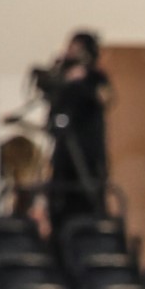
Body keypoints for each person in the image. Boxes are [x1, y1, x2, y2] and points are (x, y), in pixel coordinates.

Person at [46, 29, 113, 220]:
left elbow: (105, 98)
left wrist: (81, 82)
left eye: (76, 48)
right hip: (63, 160)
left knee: (90, 208)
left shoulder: (96, 78)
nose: (70, 52)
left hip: (88, 158)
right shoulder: (61, 77)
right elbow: (54, 115)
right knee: (59, 208)